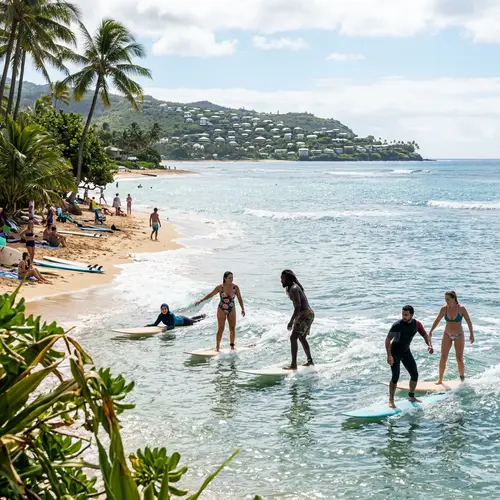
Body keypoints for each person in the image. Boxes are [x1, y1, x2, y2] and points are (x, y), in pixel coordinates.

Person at [385, 305, 434, 408]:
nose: (404, 316)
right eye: (403, 314)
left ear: (412, 315)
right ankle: (391, 400)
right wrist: (389, 356)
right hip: (395, 353)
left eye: (406, 315)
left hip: (406, 352)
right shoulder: (397, 325)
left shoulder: (417, 325)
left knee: (414, 374)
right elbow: (388, 340)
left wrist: (429, 345)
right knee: (395, 376)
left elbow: (425, 335)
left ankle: (411, 396)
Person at [429, 291, 474, 384]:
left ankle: (462, 380)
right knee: (443, 356)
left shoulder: (461, 309)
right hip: (447, 335)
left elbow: (469, 321)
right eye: (445, 299)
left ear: (454, 298)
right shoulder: (444, 309)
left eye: (448, 299)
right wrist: (431, 331)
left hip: (459, 335)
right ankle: (440, 380)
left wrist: (471, 334)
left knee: (459, 358)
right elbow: (437, 319)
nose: (446, 301)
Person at [195, 271, 245, 351]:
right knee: (221, 328)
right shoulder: (220, 287)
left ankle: (232, 346)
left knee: (232, 328)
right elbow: (211, 294)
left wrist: (243, 309)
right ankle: (217, 347)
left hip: (231, 309)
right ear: (225, 278)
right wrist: (201, 300)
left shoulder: (235, 287)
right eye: (229, 278)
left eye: (232, 278)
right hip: (221, 309)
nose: (231, 279)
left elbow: (239, 298)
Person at [281, 269, 315, 370]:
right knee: (301, 337)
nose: (281, 281)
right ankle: (310, 361)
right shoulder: (291, 288)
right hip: (308, 314)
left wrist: (291, 321)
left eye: (282, 278)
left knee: (293, 338)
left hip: (305, 314)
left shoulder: (294, 288)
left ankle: (294, 365)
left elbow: (298, 306)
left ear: (287, 278)